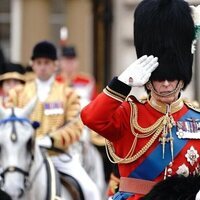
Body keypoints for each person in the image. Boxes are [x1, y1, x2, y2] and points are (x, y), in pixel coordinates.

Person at [81, 0, 200, 199]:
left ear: (182, 76)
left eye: (171, 77)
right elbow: (91, 117)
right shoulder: (129, 114)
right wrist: (122, 84)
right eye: (159, 78)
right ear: (148, 79)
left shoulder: (196, 119)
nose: (166, 84)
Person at [8, 40, 101, 200]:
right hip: (23, 156)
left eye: (47, 62)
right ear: (33, 64)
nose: (42, 66)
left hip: (57, 155)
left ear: (55, 65)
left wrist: (52, 140)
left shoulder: (68, 94)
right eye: (39, 62)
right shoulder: (17, 94)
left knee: (91, 191)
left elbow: (76, 125)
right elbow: (7, 123)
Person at [57, 45, 107, 194]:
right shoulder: (56, 82)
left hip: (86, 128)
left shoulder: (87, 81)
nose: (69, 64)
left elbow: (96, 105)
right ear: (60, 62)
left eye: (72, 60)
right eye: (66, 60)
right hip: (63, 128)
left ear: (77, 62)